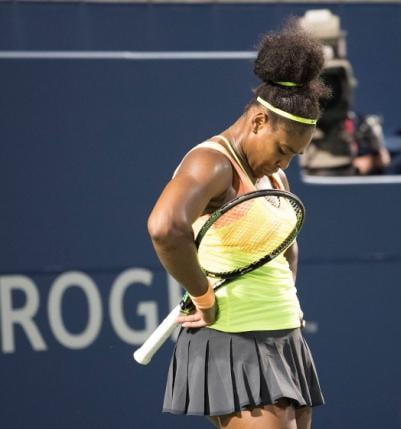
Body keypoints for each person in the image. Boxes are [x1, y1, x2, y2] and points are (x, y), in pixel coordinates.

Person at [146, 22, 328, 429]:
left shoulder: (273, 177)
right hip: (235, 341)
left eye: (294, 156)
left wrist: (287, 303)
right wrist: (203, 296)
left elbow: (284, 250)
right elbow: (165, 227)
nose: (285, 163)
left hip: (284, 338)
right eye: (283, 149)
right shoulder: (211, 163)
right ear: (259, 121)